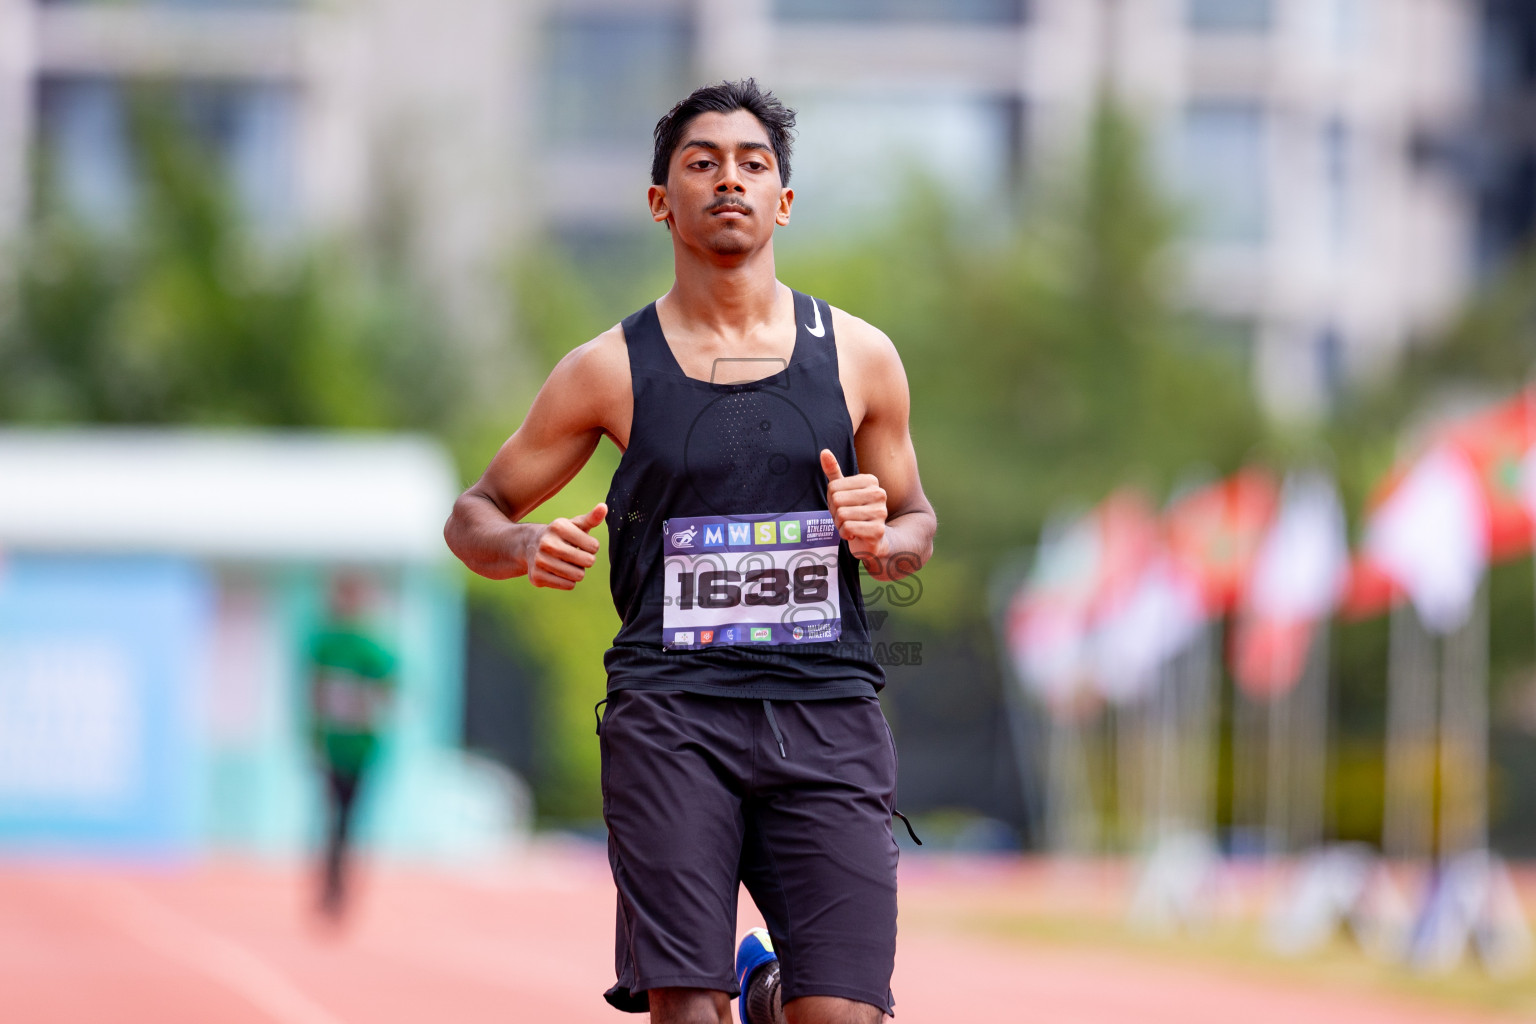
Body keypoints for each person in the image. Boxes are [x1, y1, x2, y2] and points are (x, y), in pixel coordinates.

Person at [444, 79, 935, 1024]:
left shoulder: (862, 356)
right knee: (686, 1010)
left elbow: (916, 523)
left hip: (824, 712)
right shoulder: (609, 368)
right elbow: (476, 509)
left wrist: (883, 538)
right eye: (701, 163)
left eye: (753, 165)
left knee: (839, 1014)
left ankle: (774, 988)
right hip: (672, 716)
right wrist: (520, 544)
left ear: (783, 202)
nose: (729, 181)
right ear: (662, 200)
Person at [307, 572, 397, 922]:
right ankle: (330, 885)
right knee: (332, 819)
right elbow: (313, 690)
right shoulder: (324, 643)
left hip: (362, 747)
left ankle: (342, 886)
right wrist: (314, 733)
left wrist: (365, 705)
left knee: (350, 820)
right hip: (330, 745)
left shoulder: (369, 646)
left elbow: (389, 688)